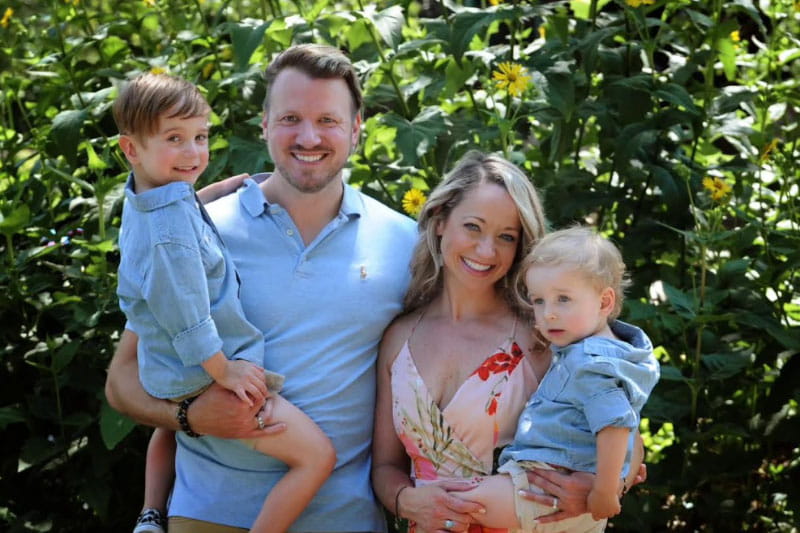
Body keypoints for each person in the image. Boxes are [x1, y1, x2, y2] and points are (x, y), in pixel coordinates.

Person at [105, 44, 419, 532]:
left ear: (357, 129)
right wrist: (190, 416)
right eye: (291, 117)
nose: (309, 136)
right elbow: (122, 380)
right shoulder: (200, 229)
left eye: (329, 120)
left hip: (345, 520)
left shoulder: (406, 242)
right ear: (265, 125)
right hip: (208, 516)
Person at [112, 72, 336, 533]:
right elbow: (187, 317)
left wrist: (211, 194)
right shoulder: (170, 237)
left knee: (167, 435)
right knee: (317, 457)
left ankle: (151, 514)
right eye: (175, 139)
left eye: (200, 137)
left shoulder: (151, 200)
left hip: (170, 371)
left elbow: (176, 215)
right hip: (206, 377)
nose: (194, 153)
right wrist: (225, 371)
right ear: (131, 149)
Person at [371, 152, 630, 533]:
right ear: (441, 220)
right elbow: (385, 467)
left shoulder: (541, 336)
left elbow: (624, 429)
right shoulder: (399, 339)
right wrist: (405, 500)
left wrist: (600, 488)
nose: (486, 250)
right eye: (473, 227)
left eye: (506, 237)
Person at [454, 226, 660, 532]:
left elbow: (615, 424)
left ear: (604, 303)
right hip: (575, 494)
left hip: (546, 483)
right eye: (538, 301)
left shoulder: (589, 362)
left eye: (563, 299)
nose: (548, 313)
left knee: (459, 501)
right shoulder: (617, 354)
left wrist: (603, 492)